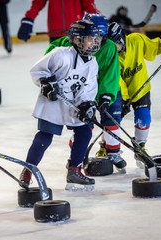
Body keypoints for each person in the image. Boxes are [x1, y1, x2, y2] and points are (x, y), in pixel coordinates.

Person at [19, 19, 102, 192]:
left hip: (73, 105)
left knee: (85, 131)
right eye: (90, 38)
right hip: (53, 103)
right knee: (45, 136)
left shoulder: (92, 63)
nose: (94, 42)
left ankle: (74, 170)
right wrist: (45, 82)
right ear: (77, 40)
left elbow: (88, 88)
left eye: (96, 38)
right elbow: (37, 70)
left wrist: (86, 104)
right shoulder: (60, 54)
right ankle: (28, 170)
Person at [44, 14, 126, 172]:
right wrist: (49, 79)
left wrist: (106, 96)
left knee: (112, 119)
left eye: (101, 37)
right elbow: (47, 61)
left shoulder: (108, 47)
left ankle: (114, 152)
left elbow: (111, 74)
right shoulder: (65, 44)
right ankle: (76, 156)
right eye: (93, 37)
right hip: (80, 91)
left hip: (104, 89)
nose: (96, 42)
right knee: (83, 125)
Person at [97, 22, 161, 168]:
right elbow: (115, 81)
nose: (115, 48)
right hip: (119, 93)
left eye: (117, 43)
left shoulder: (136, 40)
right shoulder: (110, 56)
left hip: (140, 88)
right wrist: (123, 101)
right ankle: (107, 146)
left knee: (144, 117)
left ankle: (140, 147)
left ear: (123, 38)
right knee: (113, 120)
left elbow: (153, 46)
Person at [17, 0, 99, 43]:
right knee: (55, 68)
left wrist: (99, 20)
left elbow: (89, 5)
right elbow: (38, 3)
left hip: (76, 34)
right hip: (55, 34)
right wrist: (29, 19)